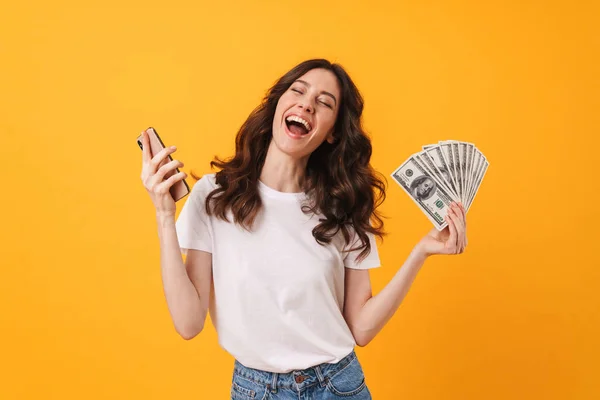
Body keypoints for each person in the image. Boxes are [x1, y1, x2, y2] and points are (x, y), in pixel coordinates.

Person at [140, 59, 468, 399]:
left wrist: (421, 252)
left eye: (324, 102)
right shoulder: (215, 196)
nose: (307, 104)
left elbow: (360, 328)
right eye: (298, 90)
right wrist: (165, 215)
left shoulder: (344, 206)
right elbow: (189, 323)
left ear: (333, 133)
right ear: (278, 104)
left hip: (338, 386)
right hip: (255, 390)